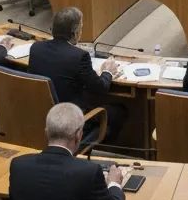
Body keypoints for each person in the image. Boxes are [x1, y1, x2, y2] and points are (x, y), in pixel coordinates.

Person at [28, 7, 125, 142]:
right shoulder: (79, 56)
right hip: (70, 123)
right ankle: (88, 147)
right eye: (81, 28)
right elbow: (100, 88)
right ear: (75, 33)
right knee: (119, 112)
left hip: (43, 118)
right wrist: (107, 71)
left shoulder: (36, 48)